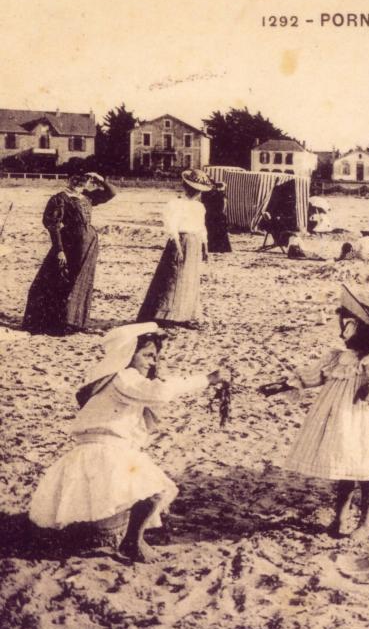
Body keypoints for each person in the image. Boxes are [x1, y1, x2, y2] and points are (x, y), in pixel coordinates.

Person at [28, 323, 230, 562]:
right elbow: (161, 392)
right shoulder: (123, 378)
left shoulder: (111, 380)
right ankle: (132, 543)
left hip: (99, 449)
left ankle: (116, 539)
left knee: (112, 502)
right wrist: (207, 379)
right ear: (127, 354)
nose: (152, 362)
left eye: (155, 357)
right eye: (146, 355)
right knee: (154, 491)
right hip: (105, 449)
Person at [261, 286, 369, 539]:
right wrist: (283, 385)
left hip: (364, 420)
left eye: (348, 327)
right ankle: (339, 518)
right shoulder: (340, 358)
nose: (343, 333)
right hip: (342, 420)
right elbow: (316, 375)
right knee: (344, 471)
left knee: (368, 474)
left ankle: (365, 523)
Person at [23, 172, 117, 335]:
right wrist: (59, 250)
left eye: (84, 180)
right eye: (76, 179)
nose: (79, 183)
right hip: (69, 244)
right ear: (69, 180)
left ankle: (74, 321)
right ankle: (57, 322)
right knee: (62, 278)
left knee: (81, 280)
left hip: (88, 245)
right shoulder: (59, 199)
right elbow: (53, 226)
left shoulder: (87, 197)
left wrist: (100, 178)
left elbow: (112, 193)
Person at [137, 169, 212, 327]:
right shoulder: (176, 204)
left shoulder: (199, 207)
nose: (196, 192)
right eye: (193, 189)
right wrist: (178, 248)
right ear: (186, 187)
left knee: (190, 278)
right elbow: (172, 227)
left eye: (198, 190)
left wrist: (205, 247)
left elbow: (201, 227)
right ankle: (164, 315)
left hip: (195, 243)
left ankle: (184, 314)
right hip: (181, 241)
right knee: (173, 276)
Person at [201, 180, 231, 253]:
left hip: (210, 216)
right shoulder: (222, 196)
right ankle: (221, 248)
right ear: (221, 187)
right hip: (219, 216)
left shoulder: (208, 194)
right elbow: (223, 207)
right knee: (220, 232)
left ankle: (210, 248)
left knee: (210, 231)